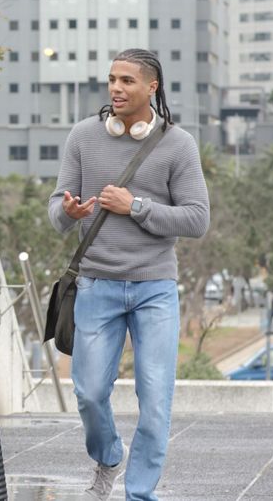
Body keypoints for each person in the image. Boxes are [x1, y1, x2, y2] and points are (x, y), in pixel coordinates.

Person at [48, 49, 209, 500]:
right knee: (89, 394)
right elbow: (56, 209)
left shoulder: (179, 144)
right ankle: (108, 457)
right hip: (95, 285)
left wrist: (135, 207)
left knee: (155, 403)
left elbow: (197, 219)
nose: (116, 89)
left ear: (152, 88)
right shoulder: (82, 136)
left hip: (155, 289)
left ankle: (139, 493)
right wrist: (68, 211)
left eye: (128, 81)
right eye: (112, 80)